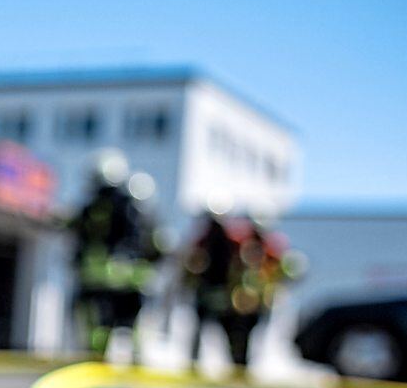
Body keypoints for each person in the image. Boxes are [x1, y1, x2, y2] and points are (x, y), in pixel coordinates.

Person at [68, 150, 162, 360]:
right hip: (111, 277)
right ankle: (109, 357)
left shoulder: (119, 205)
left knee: (115, 319)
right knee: (110, 320)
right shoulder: (109, 205)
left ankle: (105, 357)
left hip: (111, 277)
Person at [181, 210, 297, 372]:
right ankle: (199, 364)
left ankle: (240, 367)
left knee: (244, 338)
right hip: (229, 301)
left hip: (257, 303)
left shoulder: (270, 247)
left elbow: (284, 272)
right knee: (223, 334)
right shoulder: (227, 243)